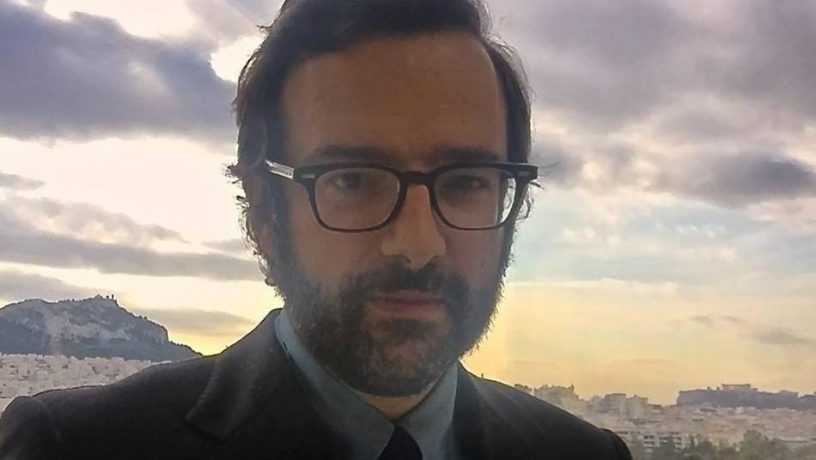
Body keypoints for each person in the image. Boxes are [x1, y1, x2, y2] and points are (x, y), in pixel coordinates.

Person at [0, 0, 633, 459]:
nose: (418, 244)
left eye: (467, 181)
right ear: (263, 211)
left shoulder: (581, 452)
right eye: (352, 180)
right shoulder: (77, 446)